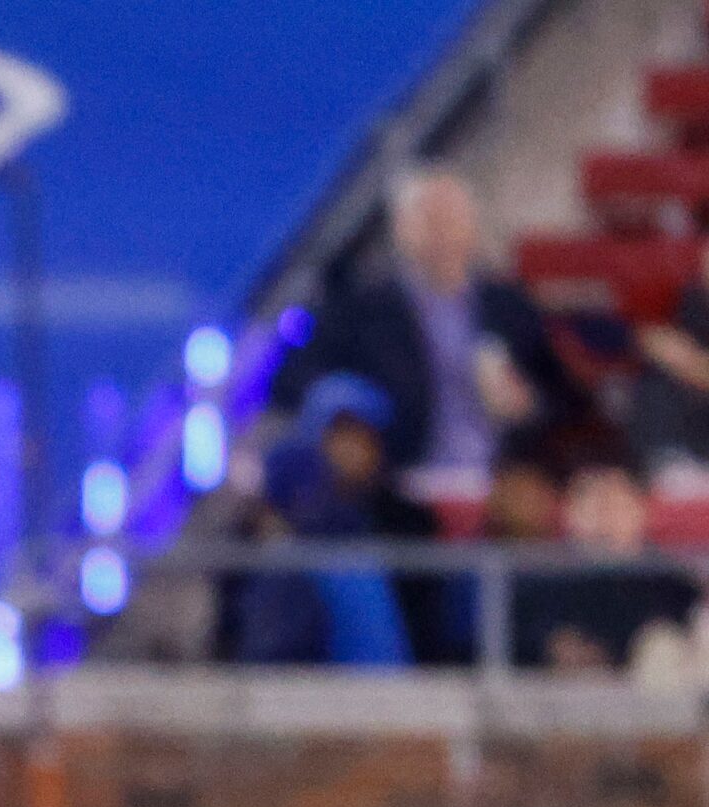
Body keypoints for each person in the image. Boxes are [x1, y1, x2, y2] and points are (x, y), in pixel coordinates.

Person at [271, 167, 578, 480]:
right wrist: (348, 404)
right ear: (402, 229)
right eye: (431, 220)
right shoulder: (362, 309)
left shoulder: (508, 306)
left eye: (451, 218)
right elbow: (291, 375)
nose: (443, 234)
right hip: (396, 483)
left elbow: (562, 394)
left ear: (471, 224)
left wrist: (528, 403)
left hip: (502, 486)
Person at [230, 372, 437, 665]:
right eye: (340, 434)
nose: (352, 450)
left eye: (363, 436)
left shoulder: (405, 522)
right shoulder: (275, 544)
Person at [513, 454, 699, 670]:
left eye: (615, 502)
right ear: (569, 512)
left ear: (642, 511)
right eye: (591, 501)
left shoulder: (675, 587)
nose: (603, 517)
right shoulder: (535, 583)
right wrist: (551, 646)